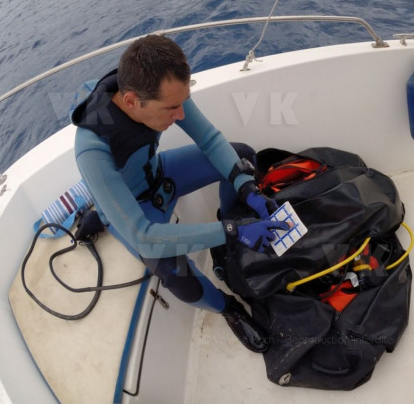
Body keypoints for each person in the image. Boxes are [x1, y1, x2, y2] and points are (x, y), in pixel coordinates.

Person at [71, 34, 287, 353]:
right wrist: (231, 232)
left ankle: (228, 249)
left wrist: (248, 190)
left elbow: (211, 140)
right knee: (177, 275)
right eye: (172, 108)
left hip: (163, 175)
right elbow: (144, 236)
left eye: (182, 101)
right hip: (136, 211)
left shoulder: (158, 85)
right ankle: (229, 308)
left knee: (242, 158)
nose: (182, 115)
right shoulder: (91, 149)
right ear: (131, 102)